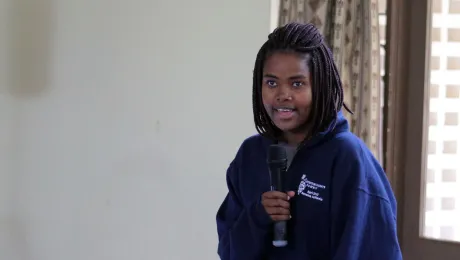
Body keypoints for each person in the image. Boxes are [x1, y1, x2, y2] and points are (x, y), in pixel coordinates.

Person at [215, 22, 402, 260]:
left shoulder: (348, 157)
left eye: (297, 83)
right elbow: (229, 251)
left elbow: (373, 251)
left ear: (320, 86)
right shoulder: (250, 154)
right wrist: (258, 217)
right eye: (271, 82)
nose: (283, 94)